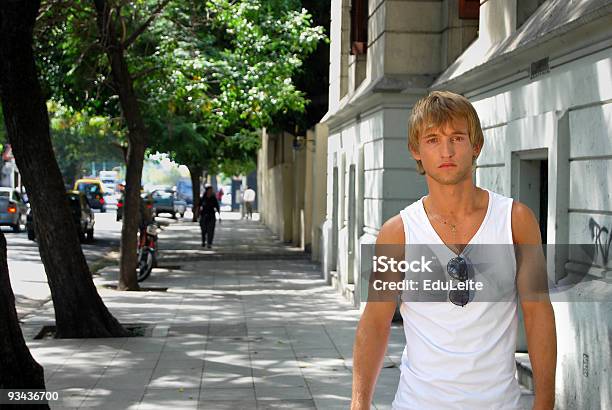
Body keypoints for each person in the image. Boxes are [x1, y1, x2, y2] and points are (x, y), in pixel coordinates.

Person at [351, 91, 556, 409]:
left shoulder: (515, 221)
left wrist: (545, 402)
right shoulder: (398, 233)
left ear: (476, 145)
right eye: (432, 139)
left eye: (457, 137)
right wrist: (358, 404)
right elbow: (375, 322)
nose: (446, 150)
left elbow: (538, 311)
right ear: (415, 150)